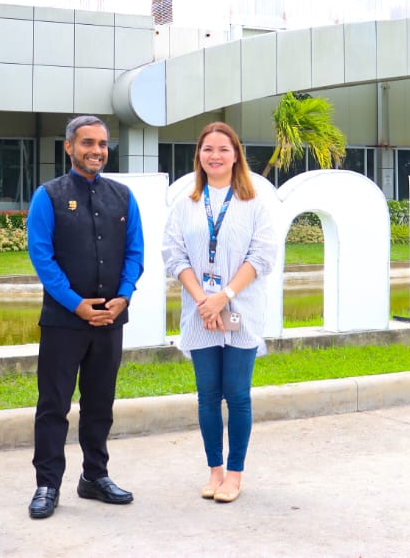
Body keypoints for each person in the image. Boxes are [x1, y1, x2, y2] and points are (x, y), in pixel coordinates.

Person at [26, 115, 145, 520]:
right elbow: (42, 257)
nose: (96, 150)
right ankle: (47, 484)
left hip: (110, 319)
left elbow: (135, 253)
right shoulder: (48, 196)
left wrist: (124, 297)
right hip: (64, 322)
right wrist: (76, 303)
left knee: (100, 403)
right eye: (87, 143)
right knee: (53, 405)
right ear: (69, 147)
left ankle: (94, 476)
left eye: (102, 144)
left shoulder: (123, 197)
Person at [162, 121, 276, 504]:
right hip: (200, 312)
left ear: (236, 155)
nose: (215, 155)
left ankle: (235, 474)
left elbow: (261, 256)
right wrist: (204, 301)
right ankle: (214, 471)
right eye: (207, 149)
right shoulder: (186, 204)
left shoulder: (254, 203)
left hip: (240, 309)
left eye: (223, 149)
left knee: (238, 395)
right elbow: (174, 255)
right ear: (199, 156)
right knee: (208, 396)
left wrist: (223, 297)